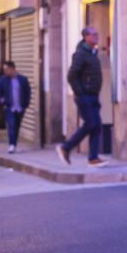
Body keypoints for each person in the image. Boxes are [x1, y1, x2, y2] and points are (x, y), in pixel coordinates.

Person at [56, 26, 107, 167]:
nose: (97, 36)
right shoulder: (80, 54)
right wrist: (81, 92)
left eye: (97, 34)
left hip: (93, 96)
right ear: (86, 36)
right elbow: (72, 75)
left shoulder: (92, 52)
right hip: (85, 96)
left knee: (96, 125)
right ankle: (66, 147)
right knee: (91, 123)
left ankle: (93, 158)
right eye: (94, 34)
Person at [0, 61, 31, 153]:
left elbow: (27, 92)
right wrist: (2, 100)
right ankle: (11, 145)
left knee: (16, 126)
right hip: (9, 107)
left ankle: (14, 144)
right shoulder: (3, 80)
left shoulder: (23, 79)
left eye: (6, 69)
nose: (5, 71)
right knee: (11, 125)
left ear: (12, 69)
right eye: (4, 70)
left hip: (20, 107)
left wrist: (26, 104)